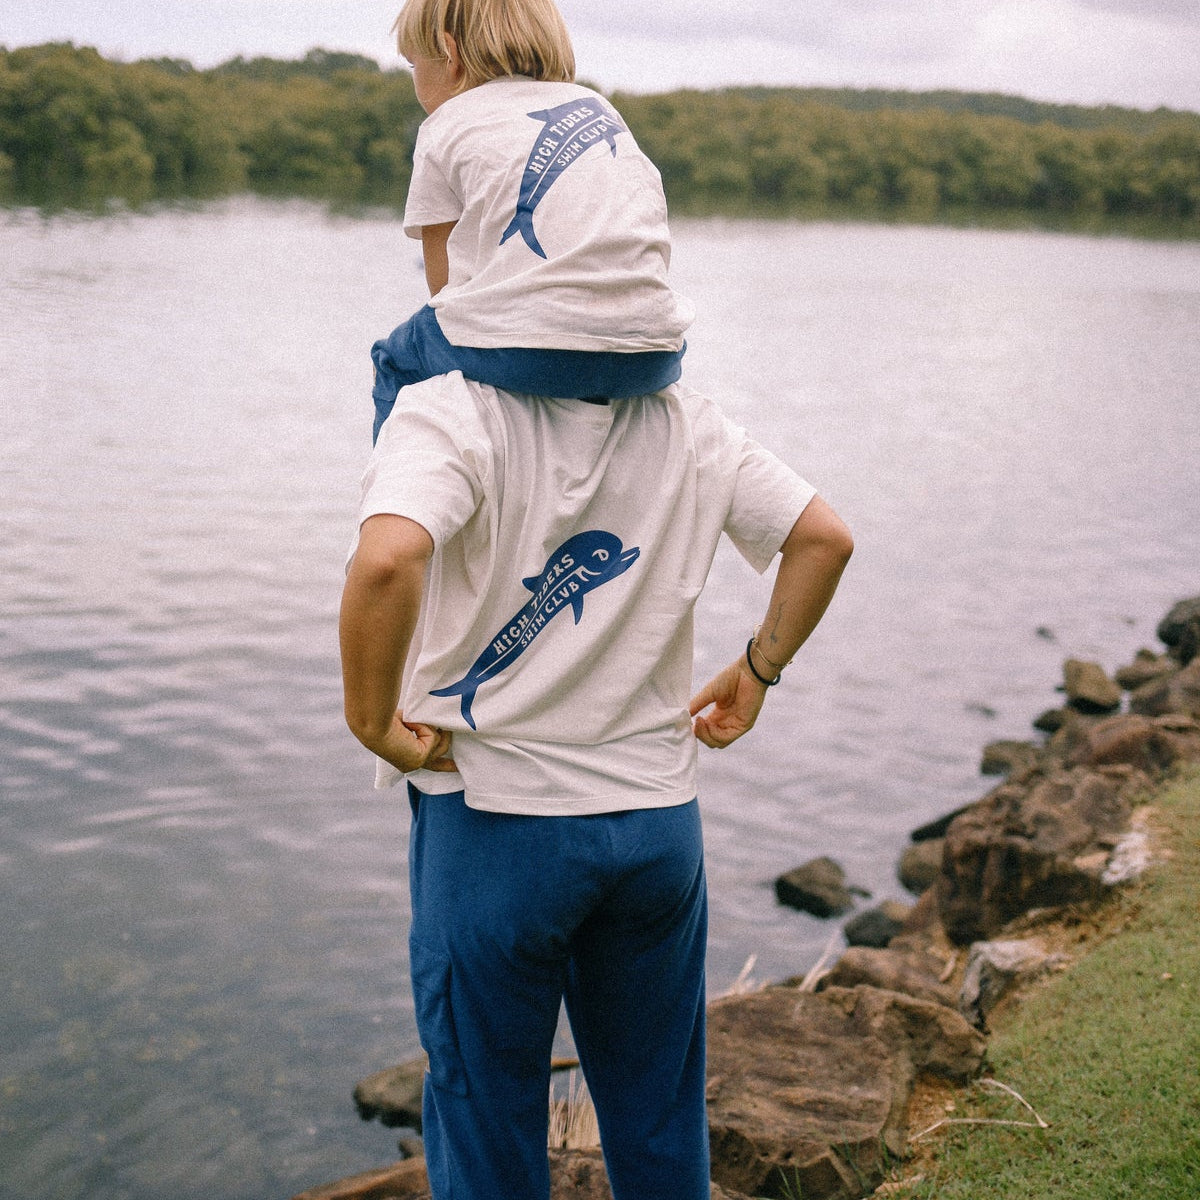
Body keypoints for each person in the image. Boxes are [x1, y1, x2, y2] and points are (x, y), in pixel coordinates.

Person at [339, 369, 853, 1200]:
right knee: (657, 1119)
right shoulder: (690, 423)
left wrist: (374, 725)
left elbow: (389, 557)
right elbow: (825, 538)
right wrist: (760, 667)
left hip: (495, 826)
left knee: (488, 1128)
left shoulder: (453, 409)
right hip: (656, 831)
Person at [369, 0, 694, 443]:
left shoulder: (444, 124)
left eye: (413, 64)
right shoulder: (599, 107)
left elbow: (443, 286)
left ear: (450, 55)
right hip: (652, 356)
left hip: (533, 356)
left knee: (396, 359)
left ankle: (399, 486)